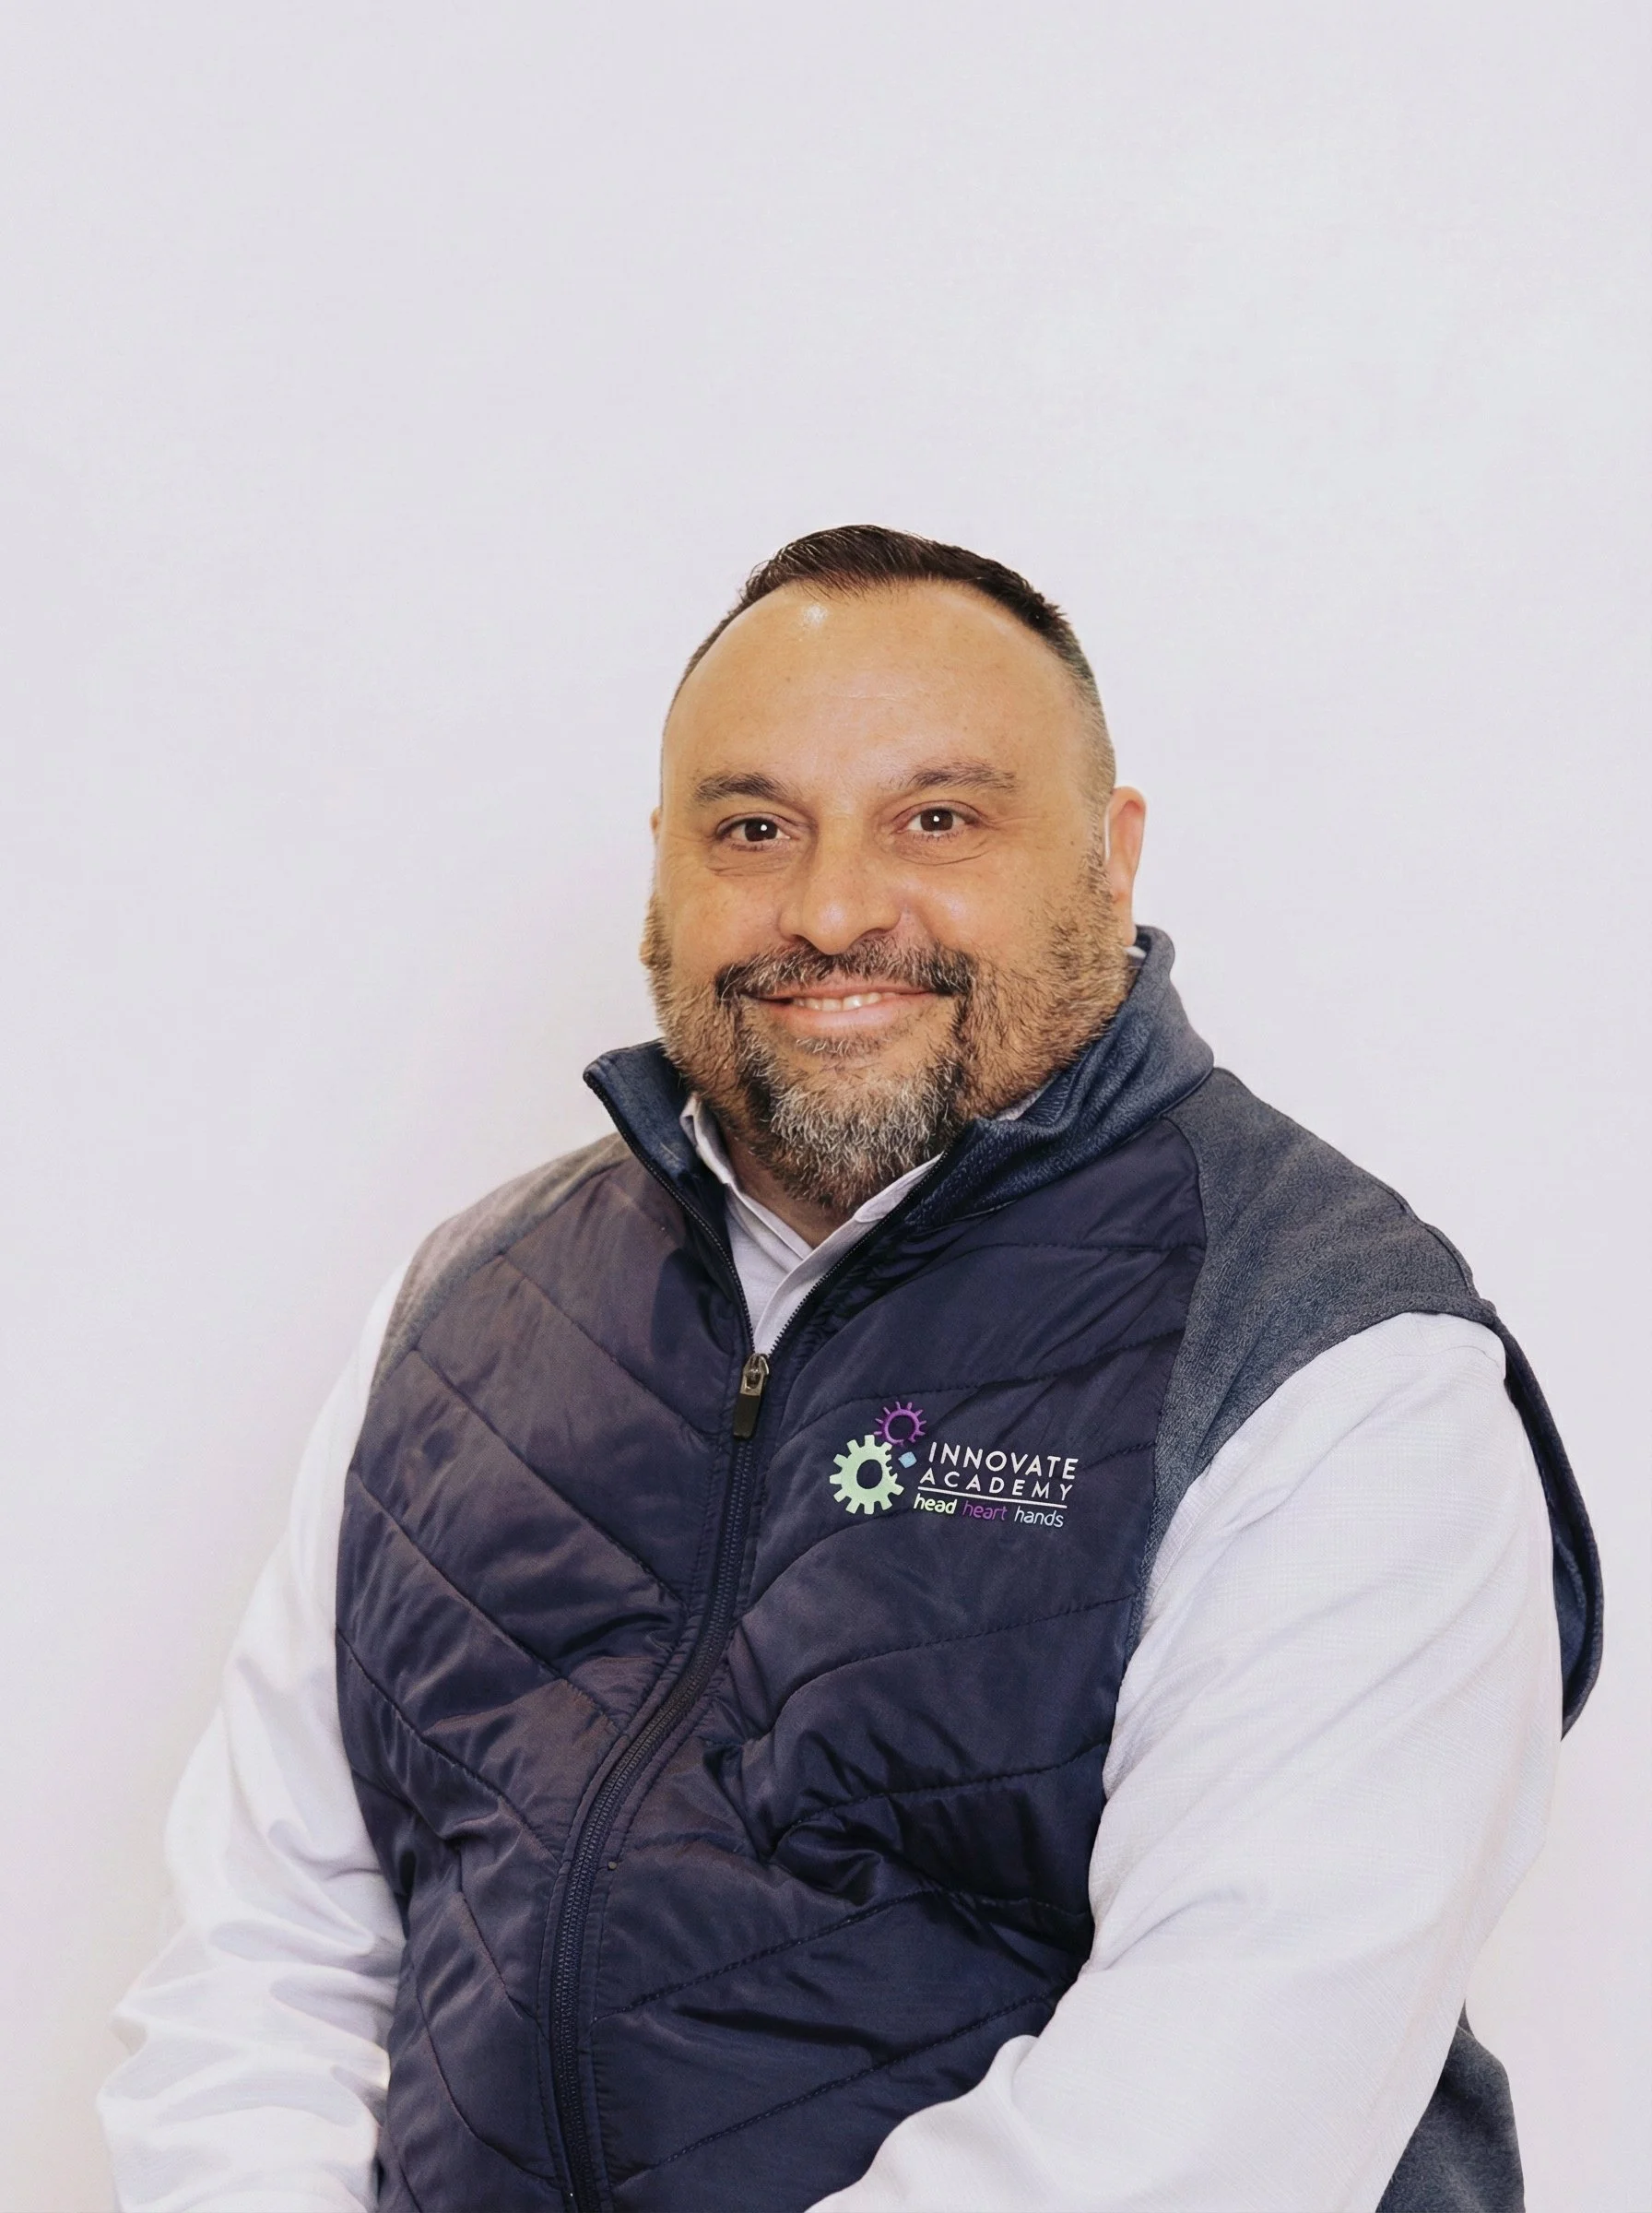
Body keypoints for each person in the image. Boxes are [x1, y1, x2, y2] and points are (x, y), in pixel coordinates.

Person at [100, 526, 1601, 2213]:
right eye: (754, 830)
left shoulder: (1328, 1355)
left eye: (939, 819)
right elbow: (268, 1961)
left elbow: (1204, 2131)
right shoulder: (466, 1314)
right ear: (661, 867)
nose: (830, 909)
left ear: (1112, 860)